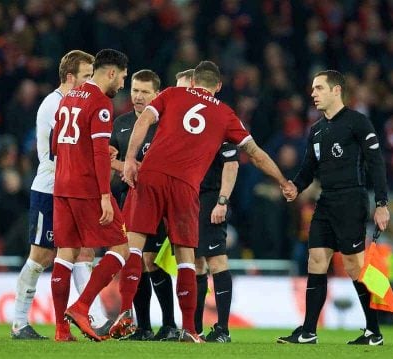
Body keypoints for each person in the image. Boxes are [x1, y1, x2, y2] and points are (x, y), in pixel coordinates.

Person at [111, 60, 296, 342]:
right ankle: (190, 329)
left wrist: (132, 160)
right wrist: (283, 181)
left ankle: (125, 316)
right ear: (218, 86)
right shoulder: (225, 114)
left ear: (194, 81)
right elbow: (255, 153)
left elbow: (145, 120)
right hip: (186, 187)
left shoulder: (171, 94)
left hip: (151, 176)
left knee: (135, 251)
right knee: (188, 260)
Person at [277, 70, 390, 346]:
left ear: (336, 90)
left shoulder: (357, 123)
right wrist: (295, 186)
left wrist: (382, 204)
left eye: (319, 88)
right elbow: (308, 169)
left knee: (354, 266)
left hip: (352, 200)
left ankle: (373, 332)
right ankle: (308, 330)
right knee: (316, 260)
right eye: (313, 89)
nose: (313, 93)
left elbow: (376, 163)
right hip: (326, 201)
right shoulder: (316, 130)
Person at [11, 50, 110, 340]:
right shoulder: (53, 105)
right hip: (51, 188)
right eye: (86, 76)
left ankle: (96, 318)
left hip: (74, 189)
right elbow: (59, 153)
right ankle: (19, 322)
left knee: (85, 252)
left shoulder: (77, 102)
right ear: (70, 78)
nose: (92, 81)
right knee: (41, 255)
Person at [50, 49, 130, 342]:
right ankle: (82, 307)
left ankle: (61, 329)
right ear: (111, 72)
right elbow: (98, 153)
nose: (122, 85)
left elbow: (55, 147)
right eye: (122, 78)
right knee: (122, 247)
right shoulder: (101, 103)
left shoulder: (68, 97)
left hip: (61, 186)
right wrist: (105, 196)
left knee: (65, 254)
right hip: (86, 189)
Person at [109, 69, 179, 341]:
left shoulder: (166, 124)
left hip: (160, 202)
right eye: (135, 90)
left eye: (144, 92)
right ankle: (144, 327)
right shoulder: (122, 123)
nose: (138, 97)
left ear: (157, 95)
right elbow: (108, 156)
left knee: (153, 262)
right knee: (135, 260)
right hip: (130, 199)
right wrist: (124, 166)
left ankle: (170, 324)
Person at [175, 69, 239, 343]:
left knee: (216, 261)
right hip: (186, 197)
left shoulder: (219, 118)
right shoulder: (180, 120)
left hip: (209, 196)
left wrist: (222, 200)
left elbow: (231, 163)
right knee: (196, 264)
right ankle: (195, 329)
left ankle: (222, 329)